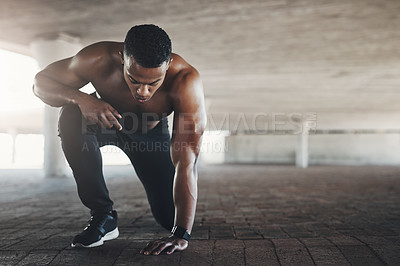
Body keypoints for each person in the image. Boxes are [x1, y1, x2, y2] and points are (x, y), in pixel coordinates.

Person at [33, 24, 206, 255]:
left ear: (168, 65)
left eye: (153, 83)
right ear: (122, 59)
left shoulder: (185, 81)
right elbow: (40, 84)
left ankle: (173, 220)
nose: (143, 91)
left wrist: (180, 235)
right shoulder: (96, 59)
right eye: (134, 80)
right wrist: (82, 99)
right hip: (105, 120)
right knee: (71, 116)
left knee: (168, 217)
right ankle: (103, 215)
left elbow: (187, 162)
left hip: (150, 136)